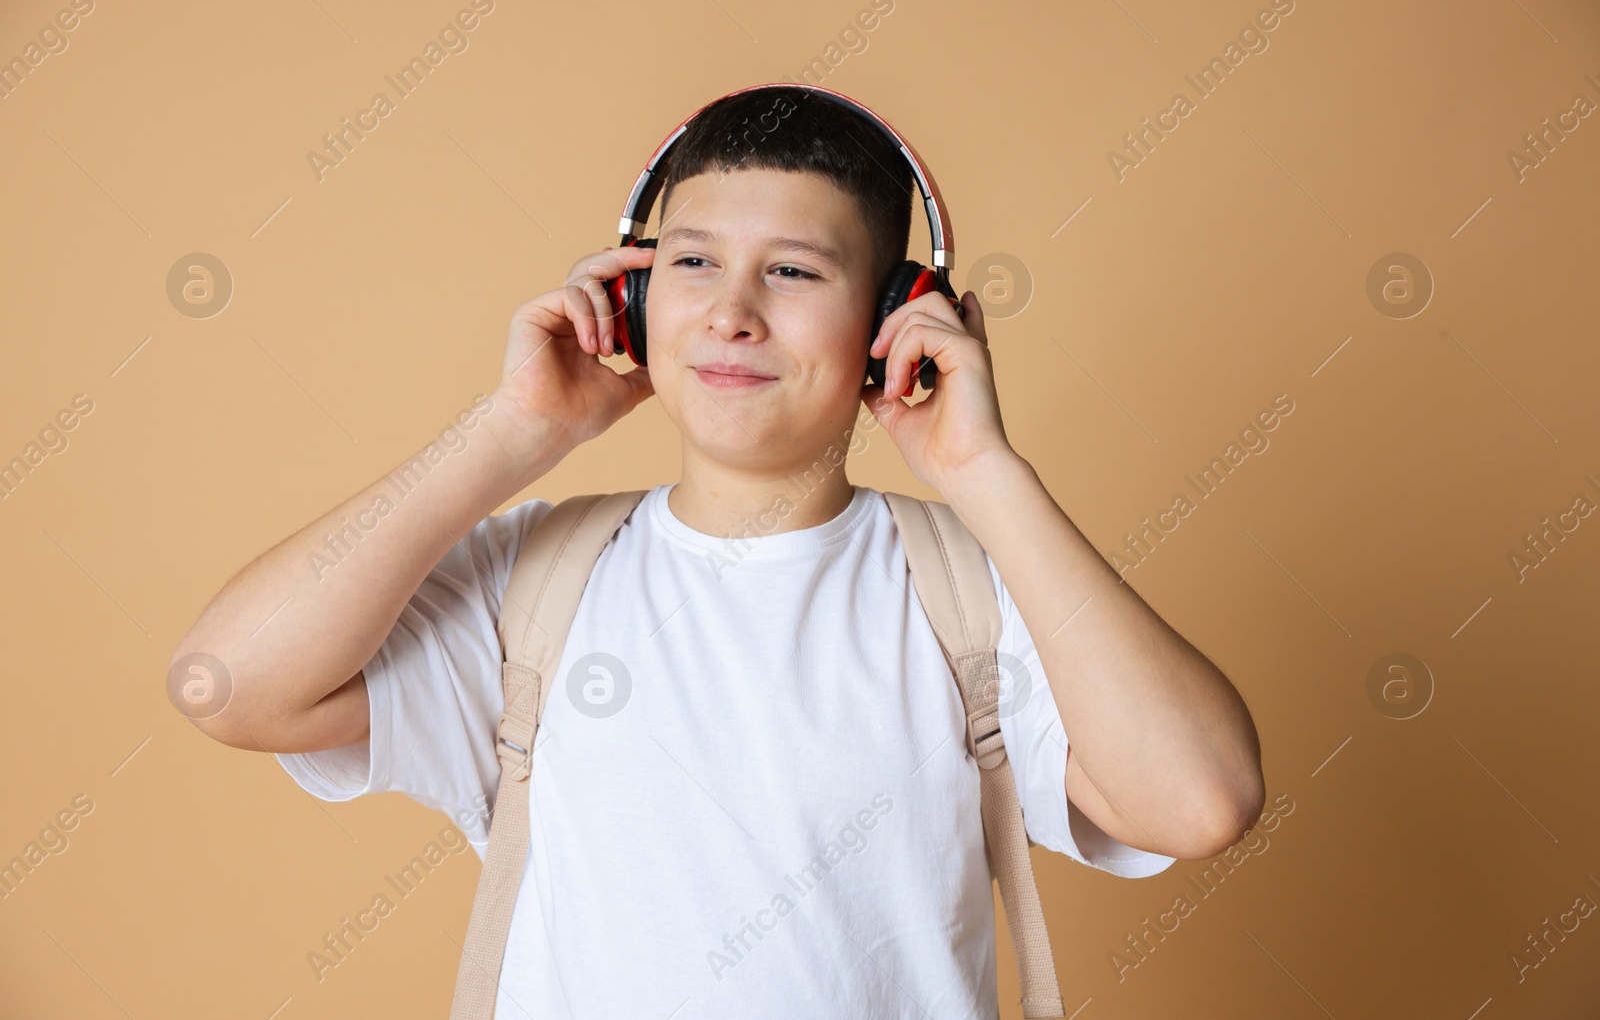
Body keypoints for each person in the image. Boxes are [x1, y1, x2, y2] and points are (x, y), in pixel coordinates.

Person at [171, 85, 1264, 1017]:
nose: (732, 311)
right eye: (692, 261)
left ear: (898, 318)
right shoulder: (536, 583)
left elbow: (1199, 799)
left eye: (793, 272)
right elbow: (225, 682)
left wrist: (985, 473)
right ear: (631, 299)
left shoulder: (974, 593)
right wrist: (513, 431)